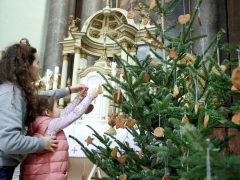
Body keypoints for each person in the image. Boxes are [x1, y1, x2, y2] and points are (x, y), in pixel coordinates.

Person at [0, 43, 86, 180]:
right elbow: (8, 141)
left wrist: (69, 90)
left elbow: (41, 96)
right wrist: (41, 143)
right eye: (37, 63)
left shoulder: (15, 90)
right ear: (26, 65)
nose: (40, 67)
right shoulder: (12, 94)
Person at [20, 88, 98, 180]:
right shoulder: (50, 125)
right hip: (48, 175)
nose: (60, 109)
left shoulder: (40, 122)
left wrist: (79, 98)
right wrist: (90, 97)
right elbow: (73, 115)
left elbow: (65, 113)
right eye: (57, 106)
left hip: (42, 173)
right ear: (48, 112)